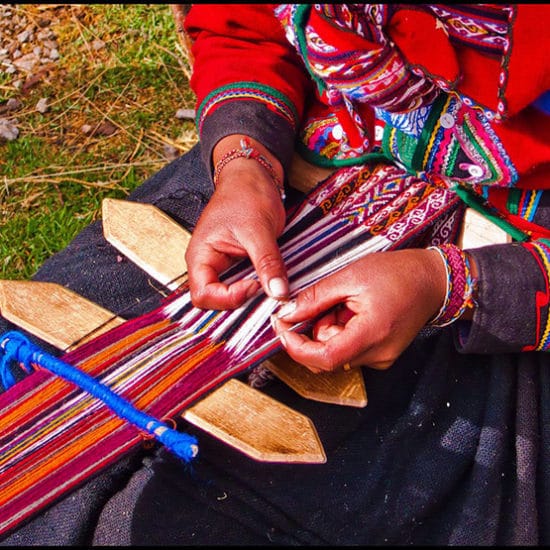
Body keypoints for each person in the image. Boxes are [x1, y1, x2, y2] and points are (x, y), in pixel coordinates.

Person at [2, 3, 550, 545]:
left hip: (511, 258)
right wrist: (244, 161)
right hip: (295, 169)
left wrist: (451, 284)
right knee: (31, 384)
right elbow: (243, 25)